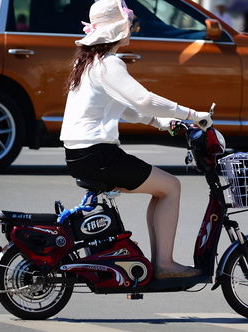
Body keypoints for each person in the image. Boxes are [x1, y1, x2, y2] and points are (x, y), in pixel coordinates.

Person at [60, 0, 212, 279]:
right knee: (171, 186)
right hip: (98, 156)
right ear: (119, 28)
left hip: (81, 155)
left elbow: (127, 108)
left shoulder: (89, 62)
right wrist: (192, 114)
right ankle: (165, 265)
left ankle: (161, 262)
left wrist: (162, 122)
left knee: (162, 188)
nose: (133, 25)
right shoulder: (109, 64)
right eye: (129, 20)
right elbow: (143, 99)